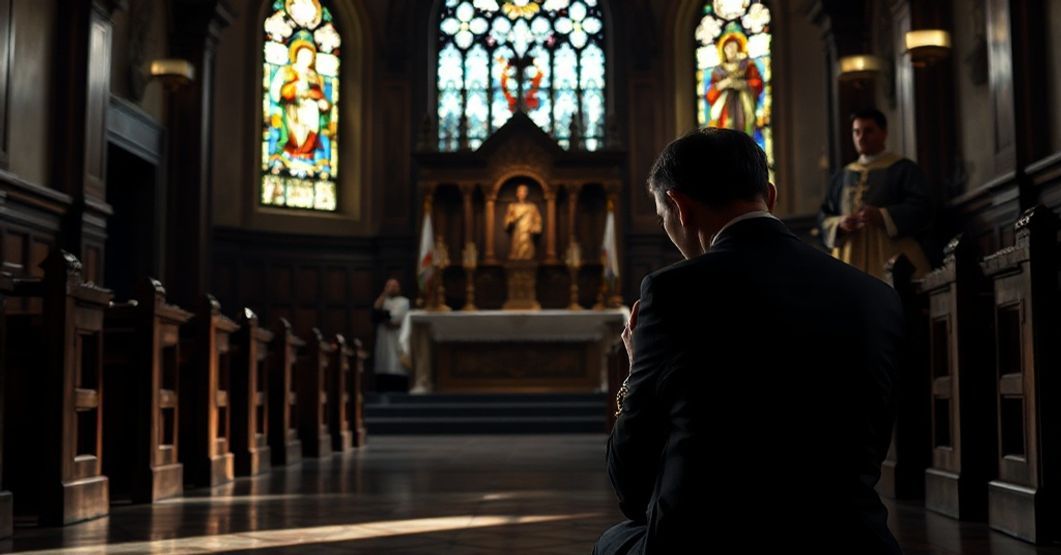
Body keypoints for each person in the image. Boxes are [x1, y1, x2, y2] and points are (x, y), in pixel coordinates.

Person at [595, 128, 903, 554]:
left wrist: (633, 373)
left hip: (712, 540)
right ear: (771, 196)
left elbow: (629, 486)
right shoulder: (877, 297)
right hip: (851, 541)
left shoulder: (672, 293)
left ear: (681, 208)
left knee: (614, 540)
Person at [818, 108, 935, 279]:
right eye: (856, 132)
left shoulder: (903, 169)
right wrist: (840, 224)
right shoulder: (842, 176)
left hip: (892, 259)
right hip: (848, 260)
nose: (861, 137)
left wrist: (883, 216)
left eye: (868, 131)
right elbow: (824, 215)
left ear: (884, 132)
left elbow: (923, 209)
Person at [705, 33, 764, 136]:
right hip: (725, 110)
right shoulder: (718, 71)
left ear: (738, 48)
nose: (730, 50)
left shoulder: (748, 65)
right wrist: (722, 85)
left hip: (744, 103)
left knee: (745, 128)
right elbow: (710, 94)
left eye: (733, 47)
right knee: (725, 132)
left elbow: (758, 84)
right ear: (723, 50)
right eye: (727, 48)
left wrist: (743, 84)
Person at [372, 279, 410, 393]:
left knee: (396, 363)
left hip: (396, 337)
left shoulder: (404, 301)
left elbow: (395, 319)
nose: (392, 288)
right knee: (384, 361)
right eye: (389, 286)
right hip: (384, 337)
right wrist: (384, 295)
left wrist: (385, 317)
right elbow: (375, 313)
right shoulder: (383, 300)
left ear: (399, 289)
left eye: (395, 286)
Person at [504, 184, 543, 260]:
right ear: (517, 194)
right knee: (516, 252)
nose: (522, 193)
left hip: (527, 233)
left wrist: (534, 228)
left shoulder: (532, 207)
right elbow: (507, 220)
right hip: (517, 233)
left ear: (526, 193)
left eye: (524, 191)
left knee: (527, 251)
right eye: (520, 191)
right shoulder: (512, 206)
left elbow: (538, 220)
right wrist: (511, 220)